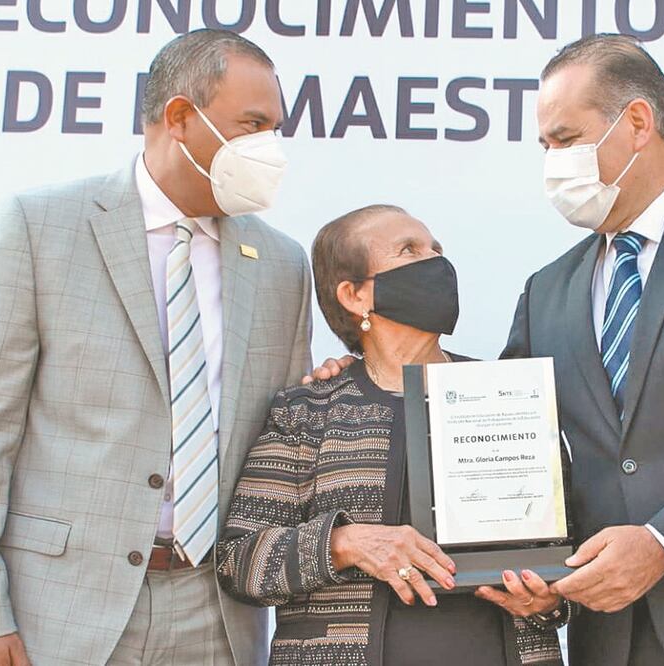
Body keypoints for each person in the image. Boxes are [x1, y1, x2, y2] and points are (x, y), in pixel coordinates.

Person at [310, 35, 664, 666]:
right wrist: (367, 378)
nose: (552, 161)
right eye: (544, 147)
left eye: (564, 138)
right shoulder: (549, 289)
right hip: (616, 635)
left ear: (636, 123)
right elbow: (492, 427)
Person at [0, 29, 308, 665]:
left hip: (218, 615)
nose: (269, 148)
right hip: (60, 609)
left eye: (275, 128)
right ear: (181, 118)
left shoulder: (281, 263)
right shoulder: (40, 226)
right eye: (252, 125)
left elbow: (282, 444)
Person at [216, 205, 570, 666]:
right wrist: (345, 544)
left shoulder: (510, 395)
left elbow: (573, 555)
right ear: (354, 294)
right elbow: (238, 562)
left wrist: (549, 602)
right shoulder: (307, 411)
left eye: (437, 249)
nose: (437, 263)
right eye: (410, 250)